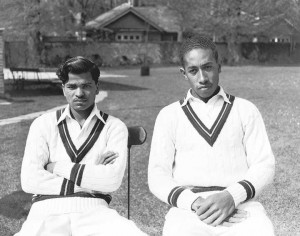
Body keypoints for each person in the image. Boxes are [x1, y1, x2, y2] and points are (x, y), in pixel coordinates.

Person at [148, 34, 275, 236]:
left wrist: (231, 196)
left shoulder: (245, 109)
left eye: (208, 67)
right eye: (193, 70)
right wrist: (196, 203)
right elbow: (157, 175)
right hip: (189, 209)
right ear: (183, 73)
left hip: (241, 205)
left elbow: (264, 164)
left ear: (219, 66)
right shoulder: (169, 115)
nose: (202, 78)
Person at [16, 56, 147, 236]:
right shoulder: (42, 124)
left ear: (97, 88)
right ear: (63, 89)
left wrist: (55, 167)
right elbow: (30, 180)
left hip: (96, 211)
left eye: (86, 86)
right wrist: (92, 176)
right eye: (72, 86)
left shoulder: (114, 127)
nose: (79, 93)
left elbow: (111, 181)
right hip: (46, 210)